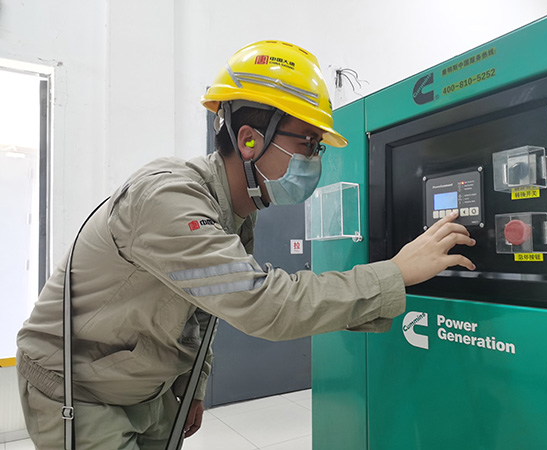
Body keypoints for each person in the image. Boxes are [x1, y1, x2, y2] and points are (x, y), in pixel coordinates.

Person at [16, 40, 476, 449]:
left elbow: (202, 308)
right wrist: (396, 272)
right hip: (79, 386)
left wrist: (193, 384)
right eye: (309, 143)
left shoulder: (235, 212)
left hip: (144, 382)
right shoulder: (168, 199)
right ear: (250, 139)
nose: (315, 160)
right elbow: (263, 303)